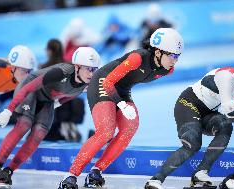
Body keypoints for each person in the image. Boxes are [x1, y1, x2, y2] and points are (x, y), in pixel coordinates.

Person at [59, 28, 184, 189]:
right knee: (106, 131)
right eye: (172, 55)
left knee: (130, 126)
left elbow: (124, 84)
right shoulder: (136, 58)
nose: (175, 60)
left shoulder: (167, 70)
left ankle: (96, 171)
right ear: (158, 52)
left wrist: (122, 102)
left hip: (122, 90)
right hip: (103, 83)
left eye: (178, 56)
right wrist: (122, 105)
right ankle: (70, 176)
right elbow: (108, 82)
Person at [0, 47, 100, 187]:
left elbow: (72, 94)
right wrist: (9, 110)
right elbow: (29, 87)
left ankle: (8, 171)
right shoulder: (60, 72)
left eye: (94, 69)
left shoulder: (85, 83)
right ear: (77, 66)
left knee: (39, 133)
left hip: (47, 99)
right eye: (89, 69)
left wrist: (58, 102)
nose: (92, 73)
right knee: (24, 124)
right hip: (31, 89)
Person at [144, 54, 234, 188]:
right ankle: (155, 180)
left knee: (225, 127)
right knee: (192, 144)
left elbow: (229, 116)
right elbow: (228, 110)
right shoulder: (227, 76)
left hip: (208, 112)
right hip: (188, 104)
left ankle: (201, 172)